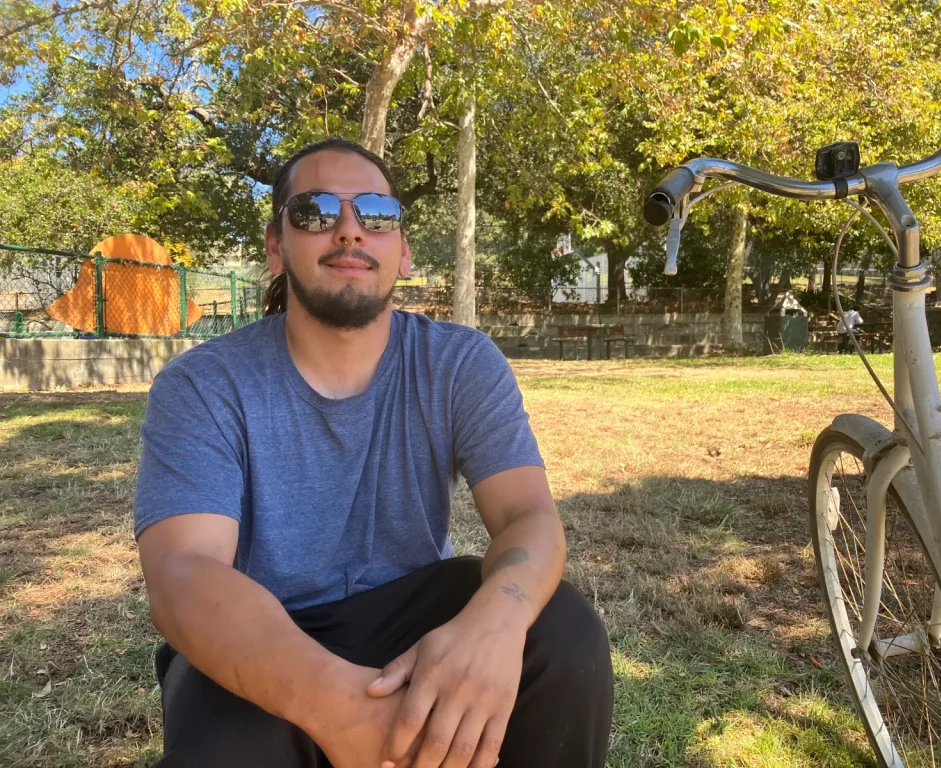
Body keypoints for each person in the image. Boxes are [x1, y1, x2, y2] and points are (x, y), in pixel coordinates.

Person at [133, 138, 613, 768]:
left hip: (414, 608)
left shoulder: (459, 364)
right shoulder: (204, 384)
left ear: (405, 251)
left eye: (377, 214)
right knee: (230, 752)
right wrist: (347, 712)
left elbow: (529, 516)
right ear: (276, 247)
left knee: (564, 639)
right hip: (263, 630)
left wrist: (497, 622)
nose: (350, 231)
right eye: (315, 212)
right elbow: (184, 575)